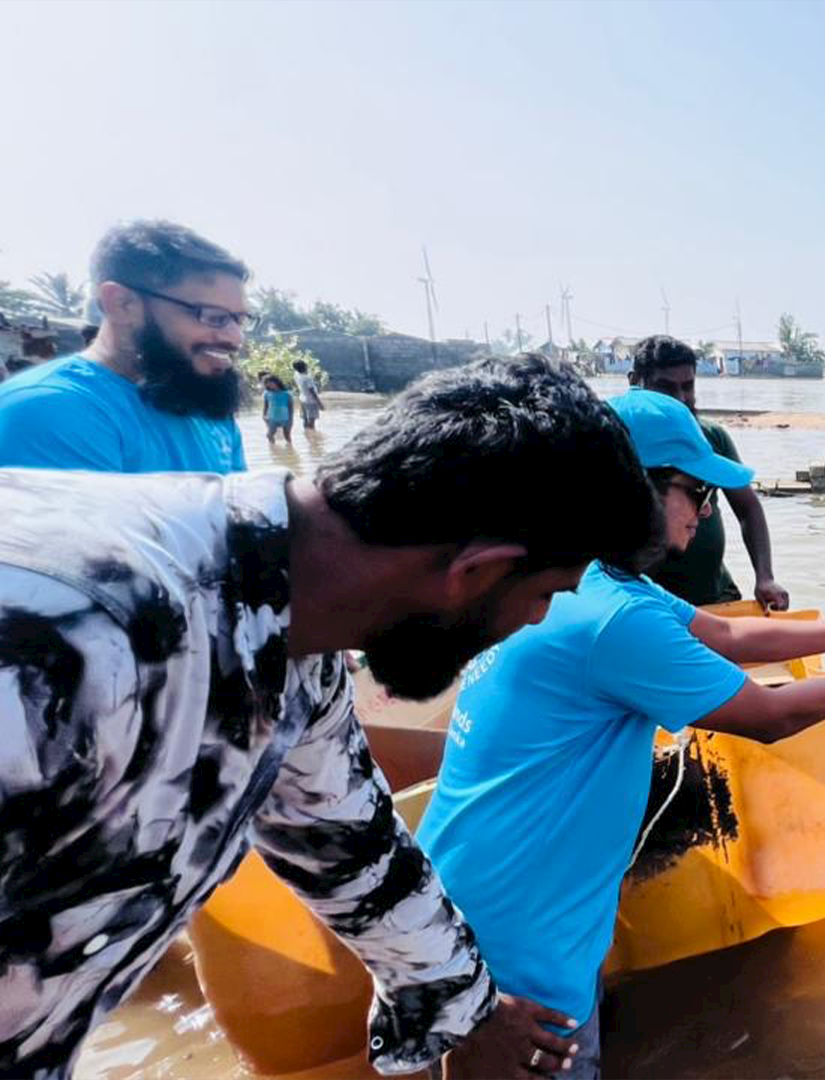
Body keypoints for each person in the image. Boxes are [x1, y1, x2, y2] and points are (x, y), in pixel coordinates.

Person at [0, 354, 661, 1080]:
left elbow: (351, 846)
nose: (538, 622)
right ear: (475, 572)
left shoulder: (284, 622)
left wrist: (468, 1012)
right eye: (546, 596)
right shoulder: (68, 641)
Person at [415, 389, 825, 1079]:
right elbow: (771, 717)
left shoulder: (591, 578)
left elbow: (725, 632)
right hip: (514, 939)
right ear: (627, 485)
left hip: (469, 905)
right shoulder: (613, 618)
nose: (706, 511)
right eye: (694, 490)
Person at [0, 220, 250, 473]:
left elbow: (242, 506)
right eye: (214, 316)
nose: (236, 337)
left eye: (240, 320)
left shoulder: (199, 398)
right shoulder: (49, 409)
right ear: (122, 304)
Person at [626, 335, 789, 610]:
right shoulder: (616, 443)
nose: (680, 399)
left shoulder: (710, 439)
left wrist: (765, 577)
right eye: (665, 388)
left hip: (715, 596)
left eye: (688, 386)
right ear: (635, 382)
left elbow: (748, 508)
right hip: (649, 604)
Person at [261, 373, 294, 445]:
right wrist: (263, 415)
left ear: (277, 382)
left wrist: (291, 419)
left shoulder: (287, 394)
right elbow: (265, 406)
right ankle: (272, 448)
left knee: (287, 436)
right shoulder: (267, 393)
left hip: (285, 418)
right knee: (269, 435)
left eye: (270, 383)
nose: (269, 385)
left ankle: (290, 449)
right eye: (267, 384)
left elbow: (290, 408)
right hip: (272, 418)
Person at [293, 358, 324, 432]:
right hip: (311, 401)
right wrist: (319, 403)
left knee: (305, 419)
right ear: (305, 367)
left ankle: (306, 433)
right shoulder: (307, 378)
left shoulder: (296, 375)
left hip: (303, 399)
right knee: (311, 420)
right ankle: (312, 436)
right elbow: (312, 391)